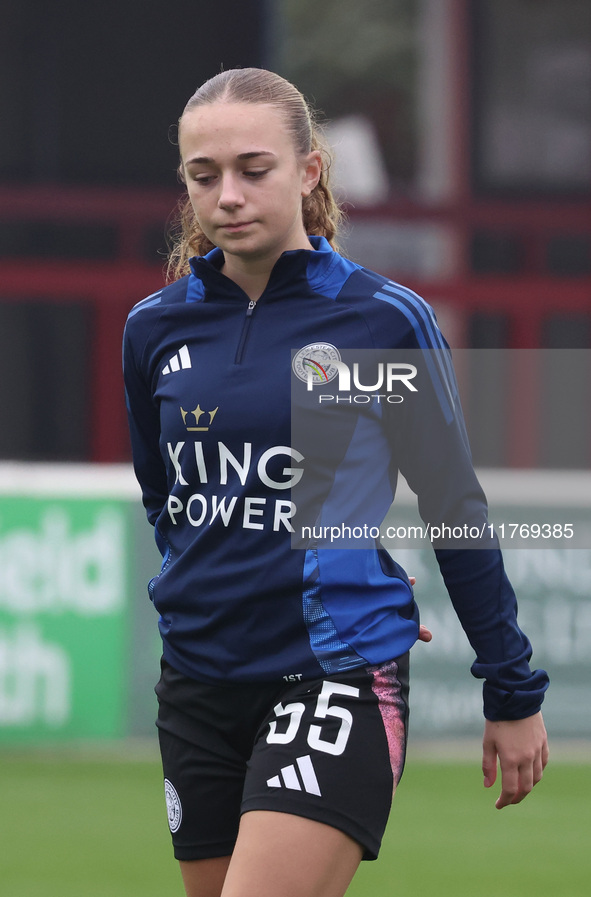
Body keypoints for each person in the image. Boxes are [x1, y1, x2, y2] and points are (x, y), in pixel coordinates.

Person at [122, 67, 549, 897]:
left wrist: (511, 684)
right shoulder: (154, 328)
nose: (227, 195)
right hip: (197, 686)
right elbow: (166, 497)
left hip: (331, 677)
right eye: (204, 177)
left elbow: (453, 504)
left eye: (254, 169)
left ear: (309, 170)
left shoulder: (381, 321)